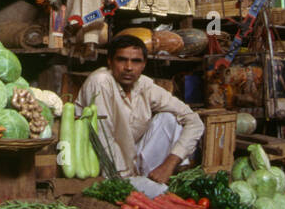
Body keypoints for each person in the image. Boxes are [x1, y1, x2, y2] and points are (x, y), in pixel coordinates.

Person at [77, 33, 204, 184]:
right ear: (110, 62)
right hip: (99, 164)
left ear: (143, 65)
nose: (129, 67)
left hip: (133, 162)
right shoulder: (101, 81)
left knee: (169, 119)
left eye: (136, 61)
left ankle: (159, 178)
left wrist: (169, 164)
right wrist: (121, 183)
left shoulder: (144, 85)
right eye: (122, 60)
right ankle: (140, 182)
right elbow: (104, 139)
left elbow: (194, 121)